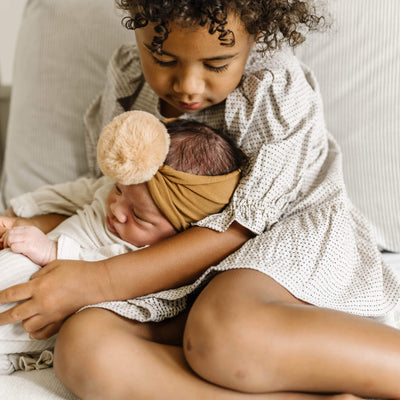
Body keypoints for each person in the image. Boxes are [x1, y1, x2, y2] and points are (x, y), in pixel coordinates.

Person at [0, 1, 399, 399]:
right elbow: (106, 191)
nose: (188, 84)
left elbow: (241, 227)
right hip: (168, 273)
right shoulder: (128, 80)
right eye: (164, 57)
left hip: (271, 246)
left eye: (216, 64)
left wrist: (98, 282)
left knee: (224, 331)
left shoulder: (270, 87)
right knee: (83, 345)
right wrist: (24, 226)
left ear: (255, 38)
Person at [0, 114, 244, 373]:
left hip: (52, 296)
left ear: (181, 230)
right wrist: (19, 214)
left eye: (138, 215)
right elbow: (73, 193)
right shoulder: (126, 192)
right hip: (31, 254)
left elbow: (105, 269)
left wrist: (52, 251)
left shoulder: (146, 255)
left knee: (14, 282)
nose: (116, 209)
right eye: (118, 189)